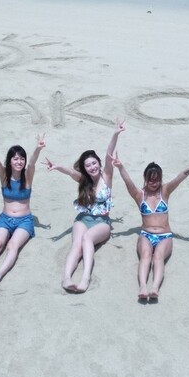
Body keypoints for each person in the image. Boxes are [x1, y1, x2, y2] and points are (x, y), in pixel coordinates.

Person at [44, 120, 124, 293]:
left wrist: (115, 133)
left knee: (87, 238)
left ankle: (85, 278)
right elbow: (70, 172)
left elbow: (109, 154)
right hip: (83, 219)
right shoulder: (84, 180)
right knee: (77, 246)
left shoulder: (107, 176)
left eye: (94, 163)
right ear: (85, 169)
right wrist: (57, 167)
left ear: (99, 163)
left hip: (102, 222)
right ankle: (66, 278)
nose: (92, 167)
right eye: (88, 165)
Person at [111, 151, 189, 301]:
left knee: (158, 257)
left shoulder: (165, 191)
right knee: (145, 256)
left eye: (157, 180)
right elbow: (128, 182)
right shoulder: (139, 195)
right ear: (145, 179)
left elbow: (178, 179)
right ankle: (142, 286)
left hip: (164, 236)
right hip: (146, 235)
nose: (154, 183)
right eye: (151, 180)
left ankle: (154, 287)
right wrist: (120, 167)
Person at [0, 132, 45, 287]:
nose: (19, 161)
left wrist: (38, 148)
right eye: (15, 158)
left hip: (24, 221)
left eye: (22, 158)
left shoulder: (28, 176)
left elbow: (32, 163)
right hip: (5, 219)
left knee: (12, 246)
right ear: (10, 161)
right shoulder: (4, 176)